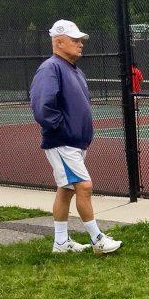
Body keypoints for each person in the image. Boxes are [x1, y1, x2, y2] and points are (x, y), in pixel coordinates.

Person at [29, 20, 122, 255]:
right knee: (84, 186)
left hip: (74, 141)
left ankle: (61, 243)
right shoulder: (50, 68)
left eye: (81, 40)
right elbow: (42, 107)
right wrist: (62, 129)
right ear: (58, 42)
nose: (80, 44)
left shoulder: (74, 70)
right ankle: (97, 239)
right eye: (74, 40)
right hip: (63, 142)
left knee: (67, 189)